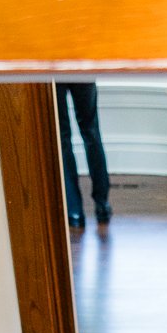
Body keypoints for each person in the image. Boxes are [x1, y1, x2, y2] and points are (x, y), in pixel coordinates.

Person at [56, 82, 111, 230]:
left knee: (63, 138)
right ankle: (102, 205)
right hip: (80, 64)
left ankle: (75, 211)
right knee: (91, 132)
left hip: (54, 69)